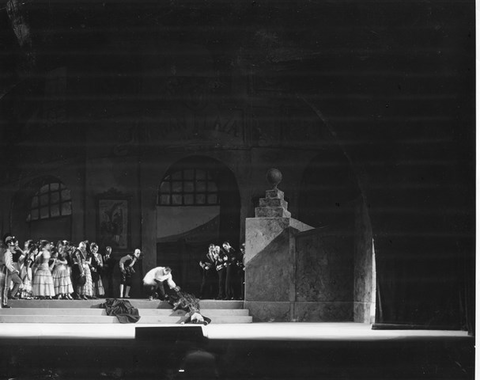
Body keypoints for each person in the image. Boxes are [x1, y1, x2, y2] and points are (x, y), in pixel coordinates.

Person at [3, 236, 22, 301]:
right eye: (12, 246)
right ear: (9, 246)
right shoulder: (7, 252)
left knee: (18, 282)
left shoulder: (9, 252)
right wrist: (13, 270)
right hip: (8, 272)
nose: (13, 247)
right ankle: (4, 301)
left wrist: (14, 270)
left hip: (11, 271)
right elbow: (7, 264)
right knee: (6, 287)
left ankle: (11, 295)